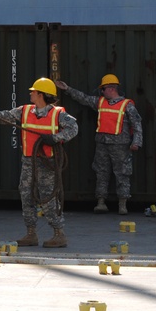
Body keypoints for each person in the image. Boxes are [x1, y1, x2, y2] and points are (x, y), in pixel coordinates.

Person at [0, 77, 79, 248]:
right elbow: (3, 117)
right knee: (26, 194)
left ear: (41, 95)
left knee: (48, 197)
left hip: (47, 162)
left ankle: (59, 234)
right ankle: (31, 233)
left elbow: (73, 128)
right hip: (29, 162)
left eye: (34, 91)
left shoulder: (58, 114)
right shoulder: (25, 111)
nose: (30, 93)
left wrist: (55, 138)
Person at [56, 74, 143, 215]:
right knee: (101, 173)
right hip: (102, 145)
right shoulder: (100, 102)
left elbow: (137, 124)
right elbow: (83, 98)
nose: (102, 92)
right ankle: (101, 202)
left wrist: (136, 142)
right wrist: (67, 89)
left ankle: (122, 204)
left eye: (103, 89)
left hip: (121, 146)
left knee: (122, 174)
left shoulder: (128, 106)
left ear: (111, 88)